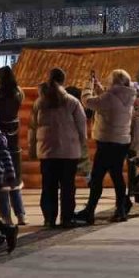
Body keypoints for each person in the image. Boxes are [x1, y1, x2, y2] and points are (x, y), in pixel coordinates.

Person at [29, 67, 88, 228]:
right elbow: (82, 126)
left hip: (47, 152)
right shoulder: (72, 102)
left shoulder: (40, 102)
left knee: (49, 187)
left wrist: (33, 148)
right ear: (63, 81)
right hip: (69, 152)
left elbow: (32, 128)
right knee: (68, 187)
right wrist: (81, 144)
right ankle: (66, 218)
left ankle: (49, 218)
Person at [76, 69, 137, 224]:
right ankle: (121, 209)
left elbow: (88, 101)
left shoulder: (110, 97)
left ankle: (90, 211)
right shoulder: (128, 96)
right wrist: (99, 87)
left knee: (97, 177)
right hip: (122, 142)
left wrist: (88, 86)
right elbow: (109, 101)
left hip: (107, 142)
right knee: (117, 176)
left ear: (114, 81)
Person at [0, 66, 27, 226]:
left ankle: (6, 217)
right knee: (15, 181)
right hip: (14, 145)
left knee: (2, 184)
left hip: (0, 144)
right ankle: (21, 215)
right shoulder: (18, 94)